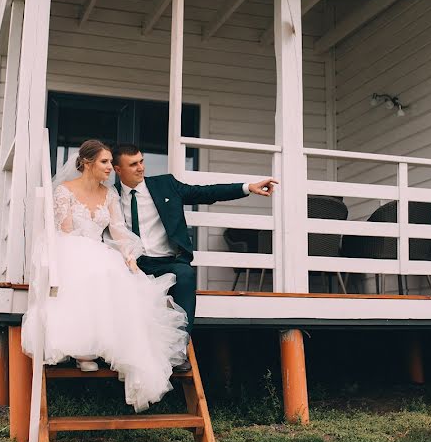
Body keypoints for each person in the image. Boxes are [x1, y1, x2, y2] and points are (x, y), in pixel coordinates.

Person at [22, 140, 189, 412]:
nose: (111, 168)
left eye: (111, 162)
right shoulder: (64, 192)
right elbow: (60, 232)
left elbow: (119, 230)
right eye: (105, 162)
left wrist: (129, 255)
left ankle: (115, 351)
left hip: (99, 249)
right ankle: (81, 349)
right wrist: (79, 251)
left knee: (122, 279)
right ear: (87, 163)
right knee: (88, 273)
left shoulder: (109, 195)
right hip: (69, 247)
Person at [111, 143, 277, 371]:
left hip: (169, 261)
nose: (140, 168)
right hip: (134, 265)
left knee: (185, 275)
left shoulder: (165, 185)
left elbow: (205, 193)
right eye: (133, 164)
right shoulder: (110, 196)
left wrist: (247, 187)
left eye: (141, 161)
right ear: (118, 170)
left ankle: (179, 350)